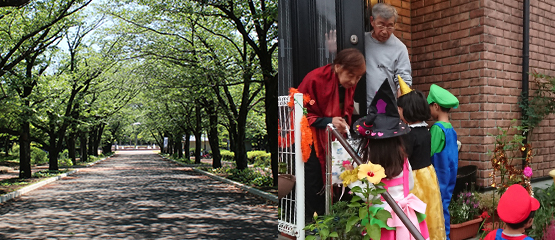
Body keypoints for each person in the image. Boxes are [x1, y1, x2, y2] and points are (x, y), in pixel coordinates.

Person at [350, 79, 429, 240]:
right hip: (406, 219)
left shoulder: (368, 165)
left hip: (382, 221)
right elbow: (411, 184)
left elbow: (368, 195)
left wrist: (350, 180)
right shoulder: (404, 160)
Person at [297, 48, 366, 218]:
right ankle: (314, 226)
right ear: (338, 67)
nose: (354, 81)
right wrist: (328, 121)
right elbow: (300, 112)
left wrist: (341, 124)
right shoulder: (315, 79)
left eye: (358, 77)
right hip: (312, 140)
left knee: (338, 180)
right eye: (351, 75)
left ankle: (332, 223)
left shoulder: (348, 85)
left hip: (334, 140)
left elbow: (346, 111)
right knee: (315, 184)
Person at [397, 76, 446, 240]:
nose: (398, 112)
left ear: (408, 110)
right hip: (429, 176)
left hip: (415, 179)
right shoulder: (426, 130)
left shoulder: (409, 135)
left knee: (416, 214)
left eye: (400, 109)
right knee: (431, 210)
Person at [364, 3, 412, 108]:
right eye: (381, 25)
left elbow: (404, 78)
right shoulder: (362, 41)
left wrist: (401, 104)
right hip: (363, 105)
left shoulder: (400, 48)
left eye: (390, 26)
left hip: (387, 109)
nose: (385, 31)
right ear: (372, 21)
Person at [428, 83, 459, 240]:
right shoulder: (450, 129)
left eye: (430, 106)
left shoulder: (436, 129)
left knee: (436, 209)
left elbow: (429, 153)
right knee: (444, 206)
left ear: (436, 106)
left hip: (438, 176)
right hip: (449, 176)